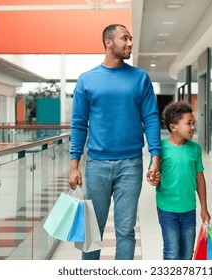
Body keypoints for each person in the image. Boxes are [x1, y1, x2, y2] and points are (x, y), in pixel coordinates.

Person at [68, 23, 161, 260]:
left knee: (125, 231)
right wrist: (74, 164)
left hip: (130, 165)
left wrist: (155, 157)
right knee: (92, 232)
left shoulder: (140, 78)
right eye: (124, 39)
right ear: (109, 42)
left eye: (131, 39)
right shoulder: (86, 80)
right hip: (96, 165)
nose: (130, 43)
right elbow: (79, 124)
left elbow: (151, 118)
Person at [147, 101, 211, 260]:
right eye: (188, 123)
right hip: (167, 210)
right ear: (173, 127)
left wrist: (204, 207)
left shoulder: (195, 149)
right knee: (171, 252)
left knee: (187, 253)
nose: (193, 127)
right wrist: (153, 178)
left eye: (193, 123)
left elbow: (200, 179)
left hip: (189, 209)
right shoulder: (160, 149)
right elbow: (152, 174)